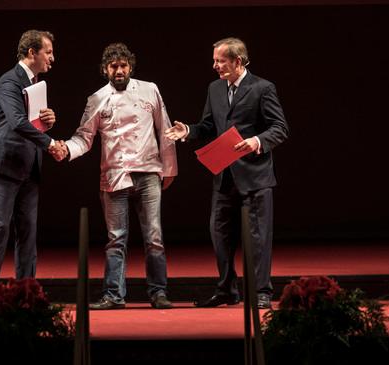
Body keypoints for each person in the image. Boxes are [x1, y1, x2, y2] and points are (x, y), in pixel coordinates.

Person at [165, 37, 288, 309]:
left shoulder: (262, 88)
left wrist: (256, 141)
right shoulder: (215, 88)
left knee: (258, 238)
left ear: (238, 61)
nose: (215, 66)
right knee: (219, 235)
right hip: (224, 177)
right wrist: (189, 131)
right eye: (215, 60)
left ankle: (261, 291)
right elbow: (209, 126)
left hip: (255, 176)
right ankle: (227, 290)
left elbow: (280, 128)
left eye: (220, 61)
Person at [53, 43, 178, 310]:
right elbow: (84, 138)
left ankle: (158, 293)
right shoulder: (97, 98)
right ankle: (113, 295)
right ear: (105, 69)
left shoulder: (150, 89)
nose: (119, 70)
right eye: (113, 66)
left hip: (148, 171)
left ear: (130, 67)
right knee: (116, 239)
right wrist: (66, 149)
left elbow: (165, 129)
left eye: (123, 65)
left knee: (154, 237)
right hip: (114, 176)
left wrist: (169, 169)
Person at [0, 30, 64, 300]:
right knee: (0, 227)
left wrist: (47, 121)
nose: (52, 58)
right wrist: (51, 143)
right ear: (31, 52)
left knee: (28, 233)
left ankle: (27, 293)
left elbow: (31, 124)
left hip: (29, 167)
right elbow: (16, 122)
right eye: (48, 52)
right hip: (5, 165)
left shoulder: (35, 84)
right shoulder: (9, 81)